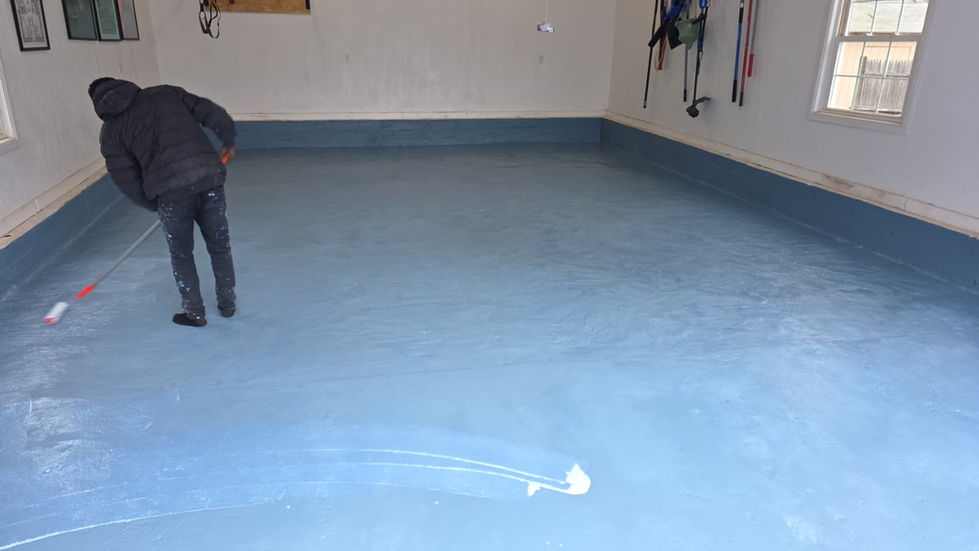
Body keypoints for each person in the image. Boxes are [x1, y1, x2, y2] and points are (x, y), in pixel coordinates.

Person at [89, 77, 238, 327]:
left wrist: (154, 203)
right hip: (208, 178)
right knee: (220, 246)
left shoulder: (111, 133)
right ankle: (228, 305)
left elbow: (126, 179)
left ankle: (194, 313)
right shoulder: (165, 93)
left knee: (182, 254)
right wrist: (228, 140)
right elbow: (210, 111)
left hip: (170, 195)